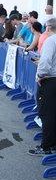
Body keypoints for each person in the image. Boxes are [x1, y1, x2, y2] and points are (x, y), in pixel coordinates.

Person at [29, 21, 56, 155]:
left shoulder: (51, 41)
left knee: (47, 114)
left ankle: (47, 146)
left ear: (49, 27)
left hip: (50, 80)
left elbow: (45, 61)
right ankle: (51, 145)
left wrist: (40, 75)